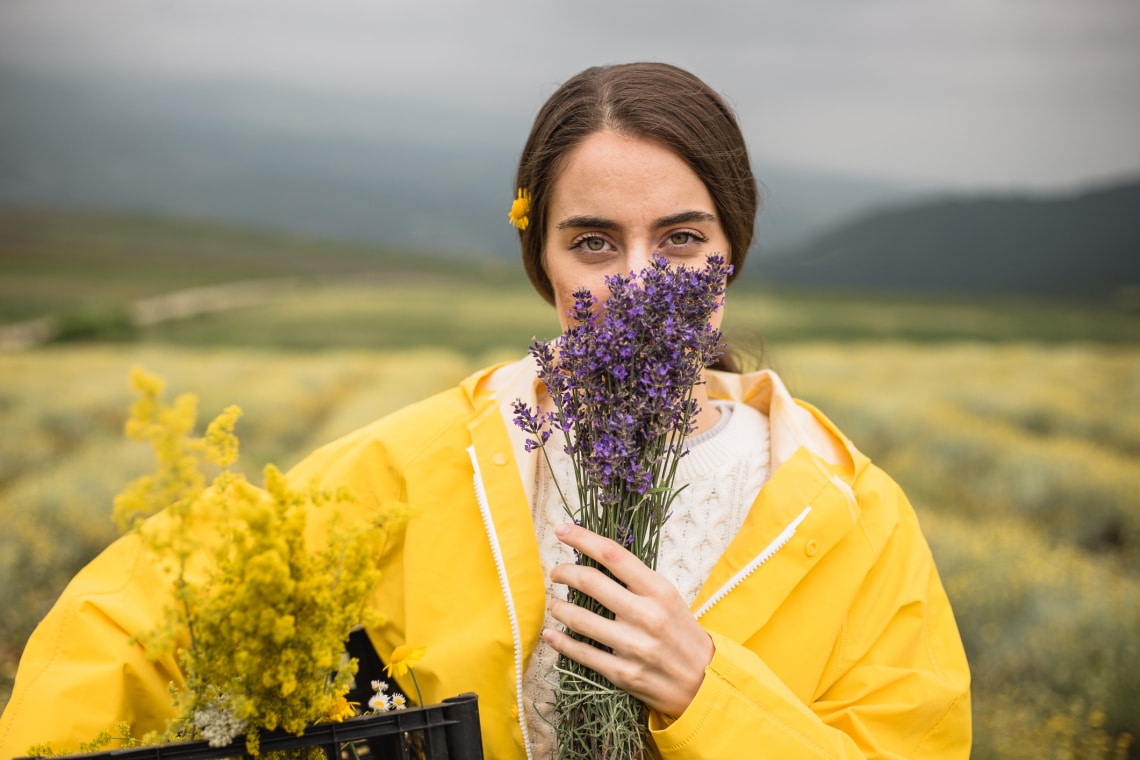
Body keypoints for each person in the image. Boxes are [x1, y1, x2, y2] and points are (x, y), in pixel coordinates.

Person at [0, 62, 971, 759]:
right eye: (593, 241)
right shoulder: (420, 465)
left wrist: (703, 686)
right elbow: (127, 617)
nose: (637, 280)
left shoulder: (848, 517)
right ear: (540, 261)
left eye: (680, 237)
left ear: (733, 253)